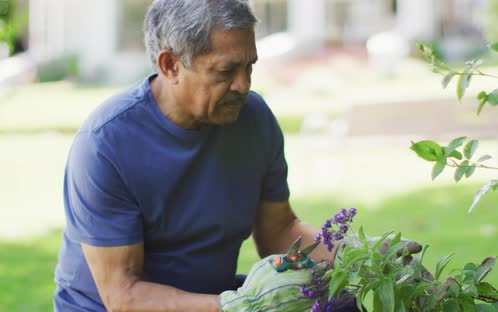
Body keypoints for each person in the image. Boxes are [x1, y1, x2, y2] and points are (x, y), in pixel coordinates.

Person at [52, 0, 337, 311]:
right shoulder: (106, 143)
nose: (243, 85)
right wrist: (237, 305)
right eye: (225, 70)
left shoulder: (254, 119)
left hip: (213, 300)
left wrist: (366, 255)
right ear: (170, 66)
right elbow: (124, 295)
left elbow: (279, 231)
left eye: (249, 66)